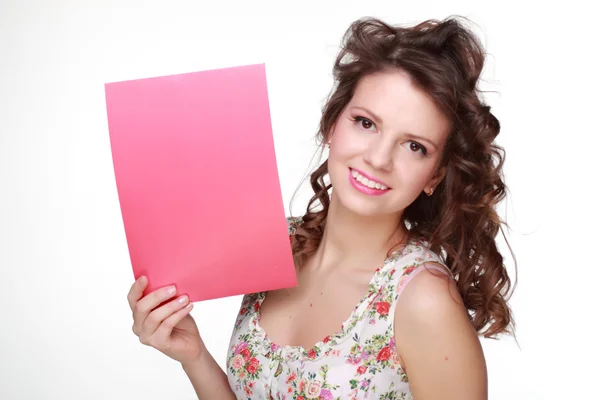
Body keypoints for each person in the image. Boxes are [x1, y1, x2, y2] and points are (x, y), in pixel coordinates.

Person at [127, 15, 515, 399]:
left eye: (415, 146)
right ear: (332, 123)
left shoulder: (422, 301)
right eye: (365, 123)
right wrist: (194, 356)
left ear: (435, 175)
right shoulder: (279, 245)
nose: (379, 159)